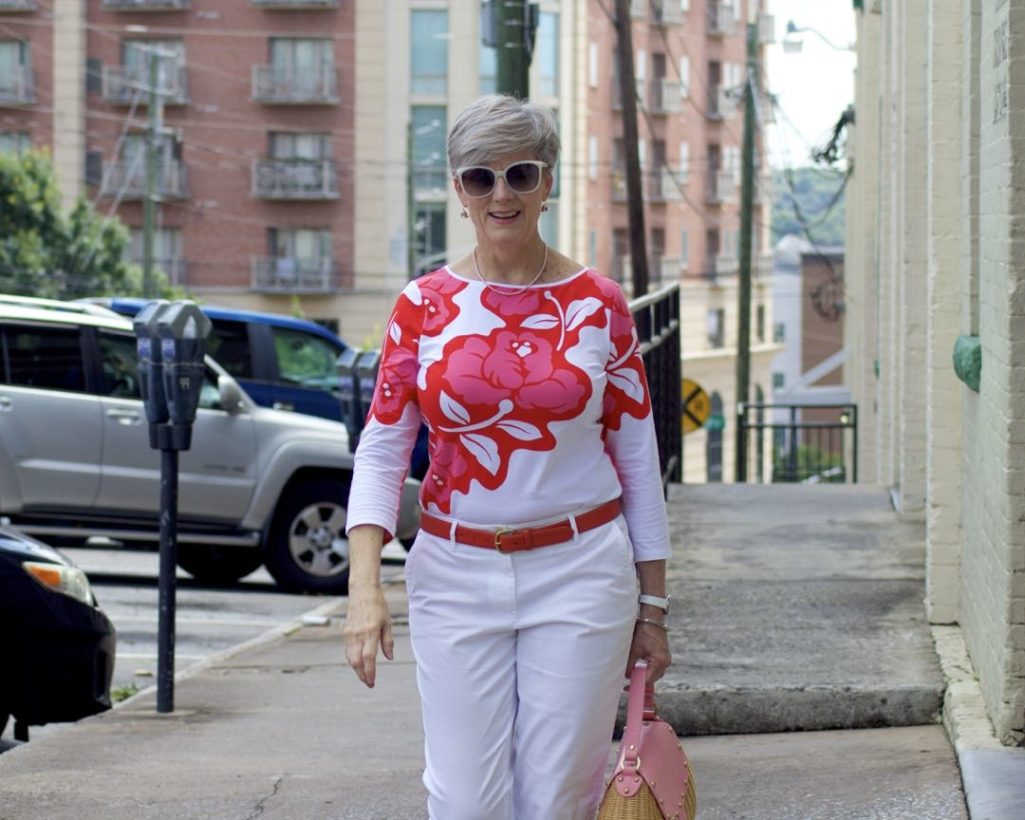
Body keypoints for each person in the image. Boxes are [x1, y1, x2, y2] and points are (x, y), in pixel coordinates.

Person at [343, 94, 672, 820]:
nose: (501, 194)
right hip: (455, 573)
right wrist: (364, 586)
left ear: (546, 183)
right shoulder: (422, 305)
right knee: (463, 801)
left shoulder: (598, 305)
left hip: (581, 570)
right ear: (456, 190)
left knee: (557, 798)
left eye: (520, 174)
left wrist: (653, 606)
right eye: (479, 177)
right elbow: (383, 447)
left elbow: (637, 461)